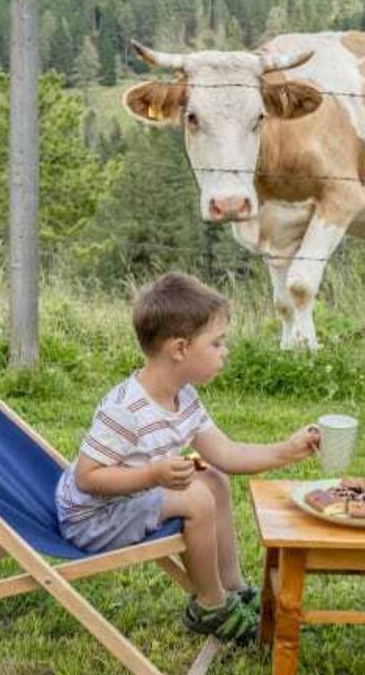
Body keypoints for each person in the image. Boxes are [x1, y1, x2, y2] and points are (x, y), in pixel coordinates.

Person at [56, 272, 319, 644]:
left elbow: (227, 454)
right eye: (217, 343)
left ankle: (232, 588)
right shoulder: (125, 410)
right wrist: (154, 474)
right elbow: (88, 477)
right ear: (179, 349)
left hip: (130, 501)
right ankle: (210, 606)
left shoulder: (185, 397)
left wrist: (287, 450)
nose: (225, 351)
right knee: (195, 497)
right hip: (94, 519)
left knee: (213, 478)